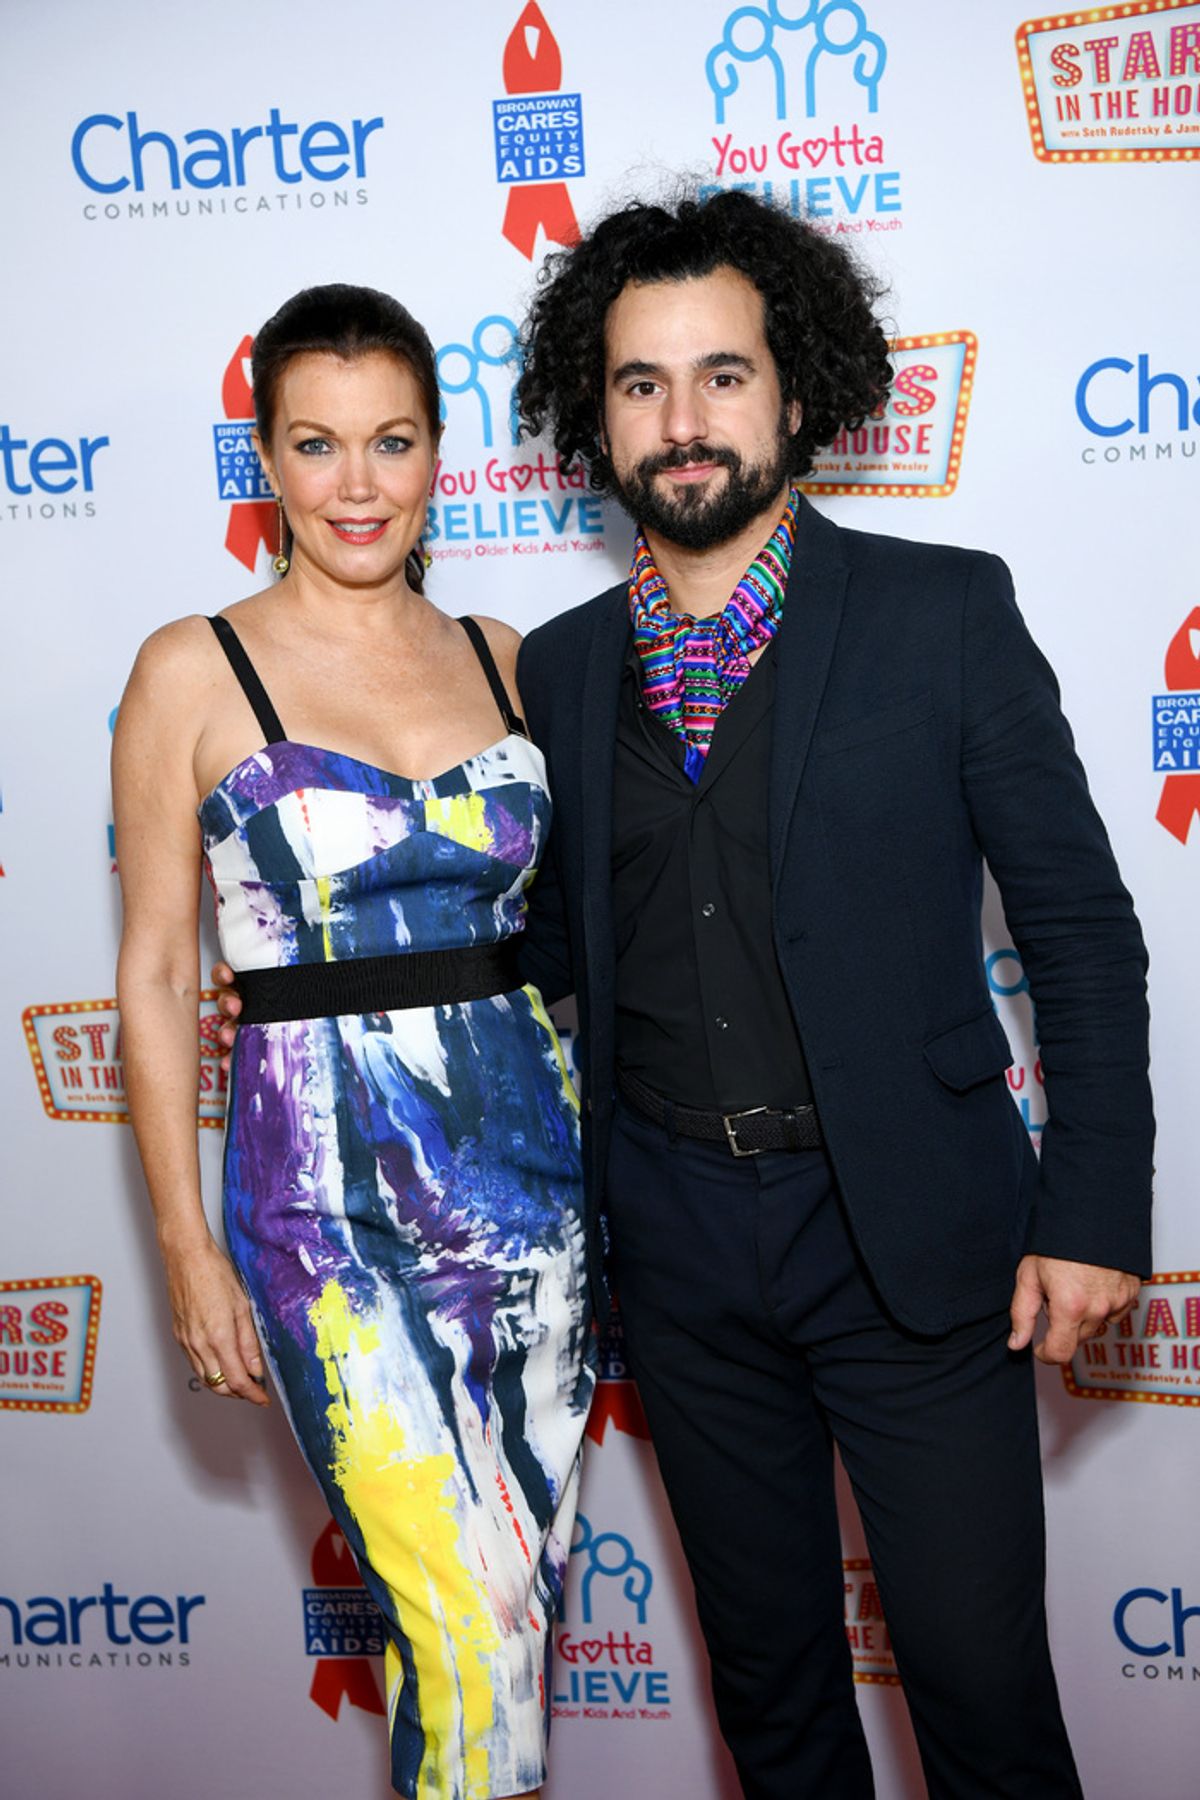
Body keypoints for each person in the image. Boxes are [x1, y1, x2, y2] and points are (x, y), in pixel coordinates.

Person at [505, 190, 1153, 1797]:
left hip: (918, 1241)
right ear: (596, 418)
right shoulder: (567, 666)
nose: (685, 421)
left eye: (723, 375)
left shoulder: (945, 614)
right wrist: (314, 994)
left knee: (980, 1692)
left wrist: (1093, 1208)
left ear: (797, 391)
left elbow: (1076, 928)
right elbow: (565, 951)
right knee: (775, 1696)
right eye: (642, 384)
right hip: (677, 1245)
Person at [113, 283, 594, 1800]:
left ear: (439, 453)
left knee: (509, 1608)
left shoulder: (507, 653)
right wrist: (189, 1253)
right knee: (458, 1621)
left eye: (392, 441)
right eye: (317, 445)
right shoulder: (193, 670)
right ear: (264, 458)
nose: (359, 483)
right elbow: (154, 975)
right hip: (329, 1220)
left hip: (538, 1200)